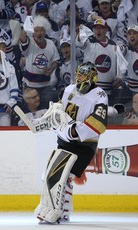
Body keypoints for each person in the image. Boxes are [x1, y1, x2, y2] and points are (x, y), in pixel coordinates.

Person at [34, 62, 108, 224]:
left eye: (83, 75)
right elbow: (58, 109)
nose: (79, 78)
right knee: (51, 173)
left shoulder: (100, 95)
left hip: (85, 144)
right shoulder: (69, 89)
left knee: (66, 177)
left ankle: (61, 211)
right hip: (65, 141)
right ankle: (62, 211)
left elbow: (98, 124)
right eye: (78, 74)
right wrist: (46, 120)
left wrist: (73, 130)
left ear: (91, 78)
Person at [19, 15, 60, 109]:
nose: (39, 33)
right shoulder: (30, 42)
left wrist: (51, 68)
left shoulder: (50, 44)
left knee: (45, 111)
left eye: (41, 30)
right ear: (33, 32)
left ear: (45, 31)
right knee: (30, 111)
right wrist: (25, 28)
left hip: (45, 85)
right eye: (36, 30)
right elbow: (22, 39)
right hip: (29, 85)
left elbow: (56, 60)